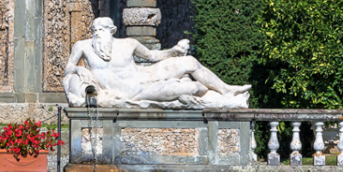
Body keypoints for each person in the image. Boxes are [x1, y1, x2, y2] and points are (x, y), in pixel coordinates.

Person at [62, 17, 250, 108]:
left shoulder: (129, 43)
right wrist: (79, 69)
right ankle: (204, 93)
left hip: (146, 76)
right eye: (94, 29)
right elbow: (68, 67)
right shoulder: (83, 46)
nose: (96, 33)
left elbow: (152, 56)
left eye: (101, 29)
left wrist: (174, 51)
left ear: (111, 30)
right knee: (195, 89)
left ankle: (226, 90)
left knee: (189, 61)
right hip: (136, 92)